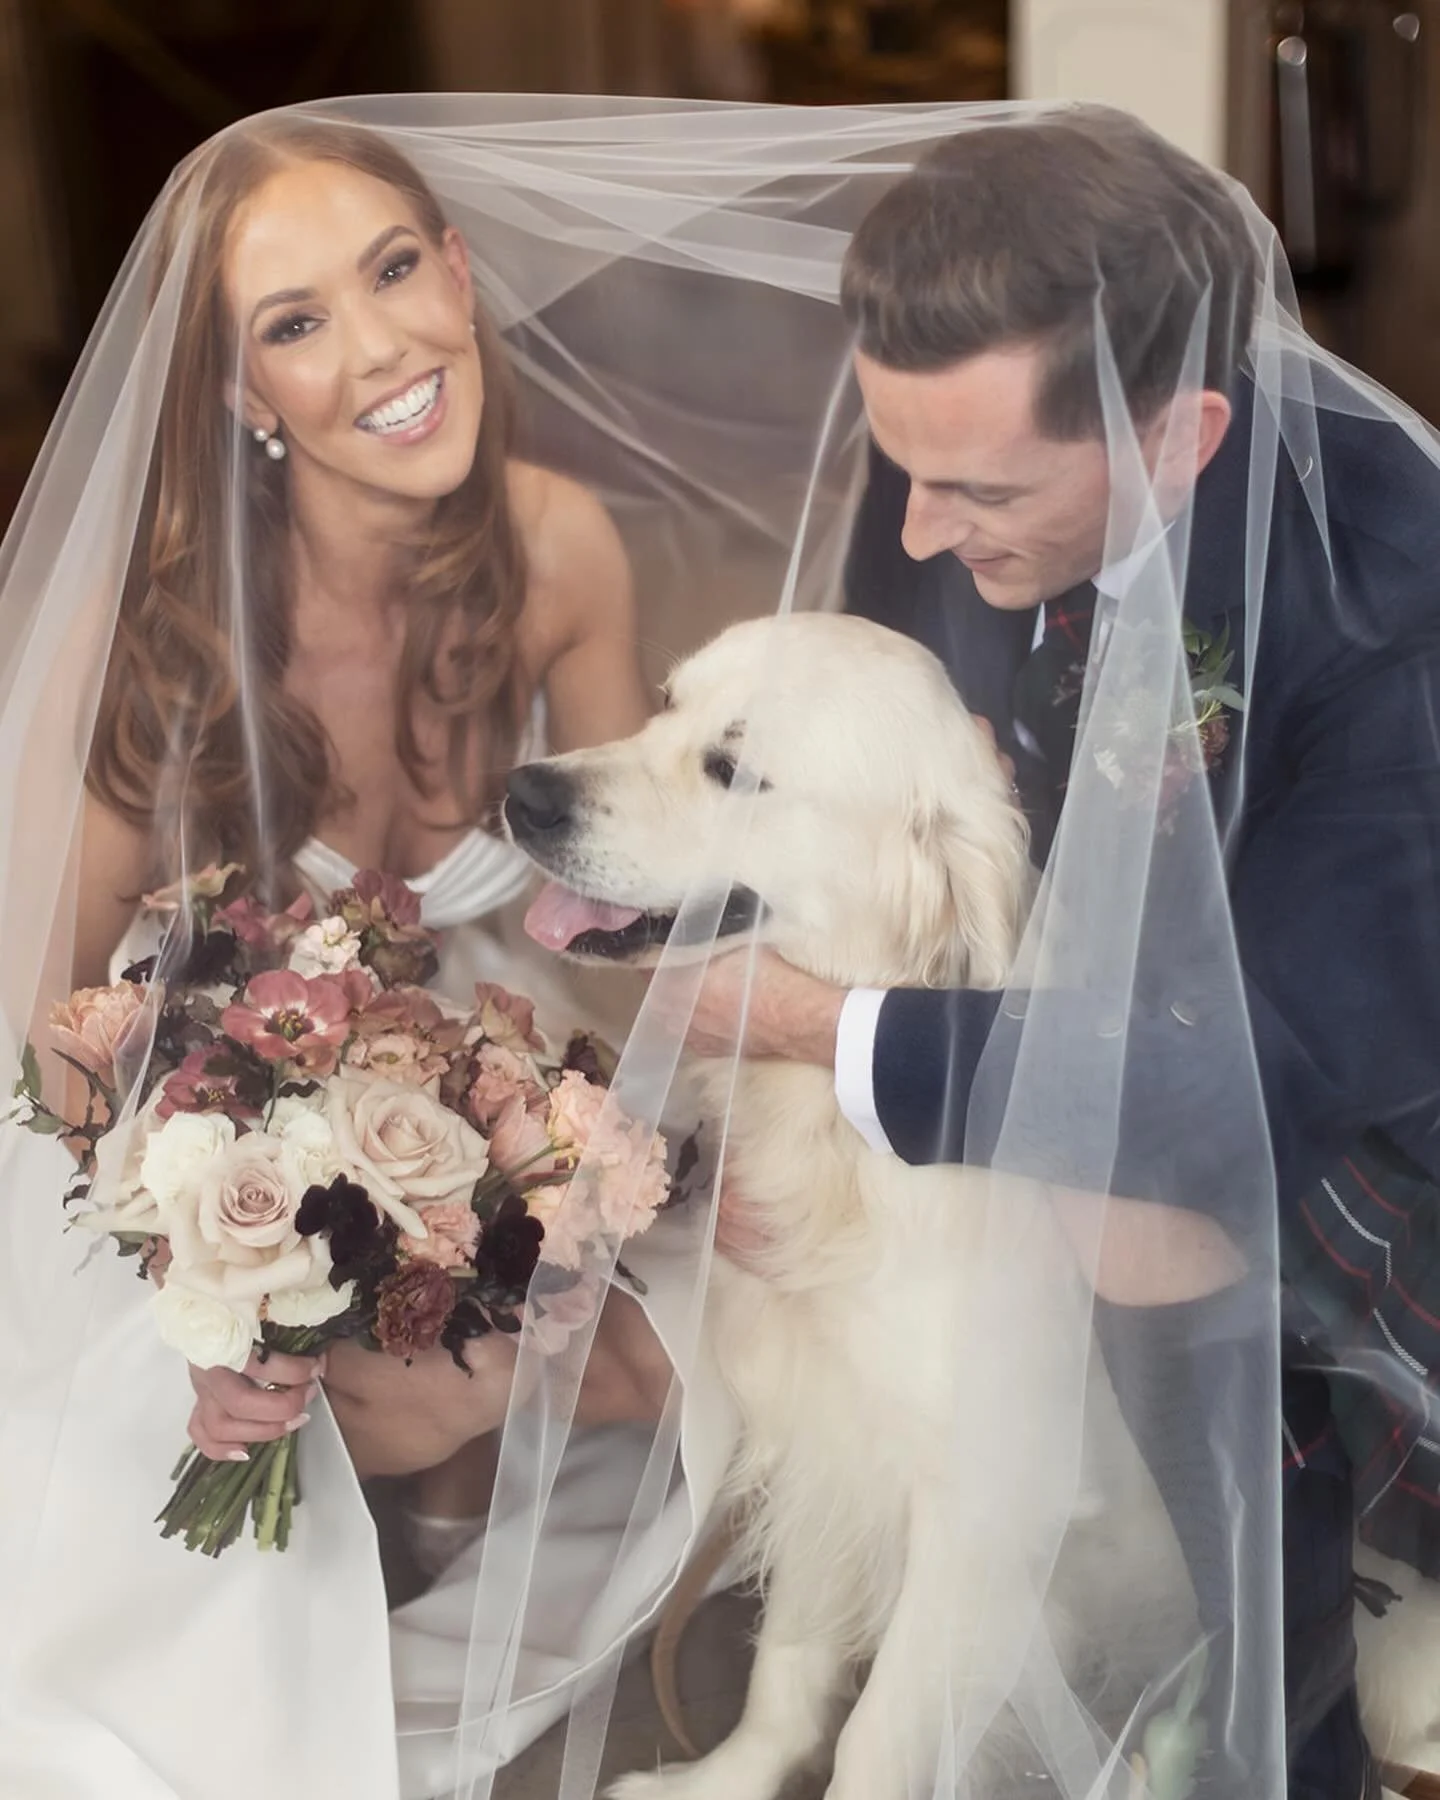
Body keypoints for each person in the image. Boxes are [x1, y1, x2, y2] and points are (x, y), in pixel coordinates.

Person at [677, 109, 1440, 1798]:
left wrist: (823, 1027)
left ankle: (1275, 1676)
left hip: (1379, 1142)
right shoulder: (955, 449)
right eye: (902, 464)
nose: (923, 534)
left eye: (981, 490)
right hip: (1120, 1032)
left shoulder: (1397, 609)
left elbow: (1251, 1084)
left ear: (1183, 435)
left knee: (1118, 1187)